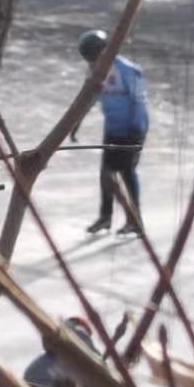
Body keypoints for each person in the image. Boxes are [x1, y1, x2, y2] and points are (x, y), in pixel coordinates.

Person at [78, 30, 150, 235]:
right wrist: (76, 124)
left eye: (96, 58)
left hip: (131, 129)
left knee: (127, 173)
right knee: (106, 174)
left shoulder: (128, 70)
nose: (94, 64)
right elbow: (88, 98)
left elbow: (139, 100)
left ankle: (135, 220)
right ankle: (105, 217)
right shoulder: (94, 71)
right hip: (112, 129)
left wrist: (136, 130)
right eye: (90, 60)